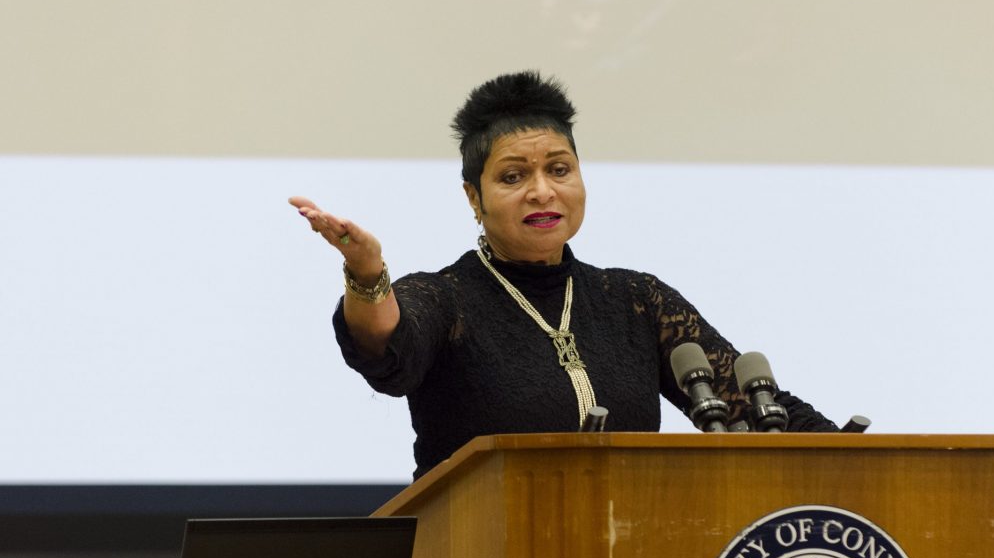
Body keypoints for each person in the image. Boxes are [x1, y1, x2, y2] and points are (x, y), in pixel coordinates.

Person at [290, 71, 836, 479]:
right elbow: (386, 341)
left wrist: (864, 459)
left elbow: (757, 409)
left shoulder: (633, 301)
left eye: (559, 169)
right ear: (473, 198)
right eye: (513, 176)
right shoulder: (448, 299)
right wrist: (367, 274)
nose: (542, 191)